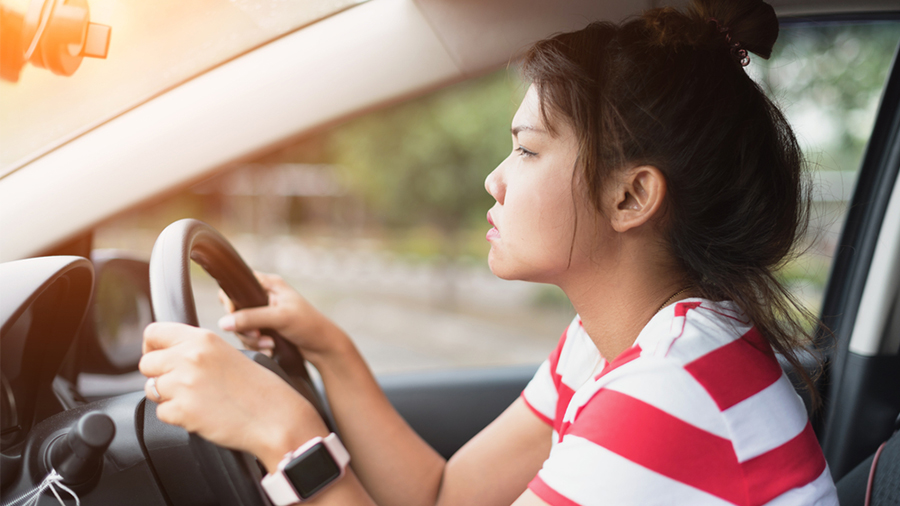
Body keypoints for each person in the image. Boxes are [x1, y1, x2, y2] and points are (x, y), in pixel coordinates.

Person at [138, 0, 840, 503]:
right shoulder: (618, 347)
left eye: (528, 150)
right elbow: (447, 494)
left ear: (631, 197)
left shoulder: (675, 394)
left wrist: (283, 434)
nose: (494, 178)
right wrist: (329, 350)